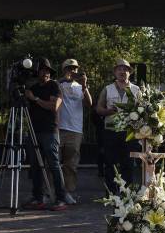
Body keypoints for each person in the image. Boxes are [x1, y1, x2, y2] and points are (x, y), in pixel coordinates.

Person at [24, 59, 67, 210]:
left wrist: (35, 99)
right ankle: (38, 197)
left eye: (48, 70)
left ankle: (61, 198)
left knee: (54, 164)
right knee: (35, 166)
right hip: (34, 130)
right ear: (38, 72)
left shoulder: (54, 86)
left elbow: (53, 106)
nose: (46, 73)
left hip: (50, 131)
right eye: (43, 70)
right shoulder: (33, 87)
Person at [94, 59, 141, 192]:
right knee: (110, 163)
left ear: (129, 73)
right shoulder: (107, 89)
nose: (122, 71)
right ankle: (111, 192)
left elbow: (142, 110)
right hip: (111, 131)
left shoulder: (136, 89)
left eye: (125, 69)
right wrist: (108, 111)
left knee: (129, 164)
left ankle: (127, 193)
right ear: (115, 72)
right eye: (119, 69)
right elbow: (98, 109)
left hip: (129, 132)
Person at [57, 59, 91, 204]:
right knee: (53, 162)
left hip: (75, 130)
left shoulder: (80, 87)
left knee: (71, 164)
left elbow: (89, 103)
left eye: (75, 69)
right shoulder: (58, 84)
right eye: (69, 69)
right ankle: (51, 191)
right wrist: (64, 80)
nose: (73, 71)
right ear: (64, 70)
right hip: (59, 128)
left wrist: (84, 86)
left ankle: (68, 192)